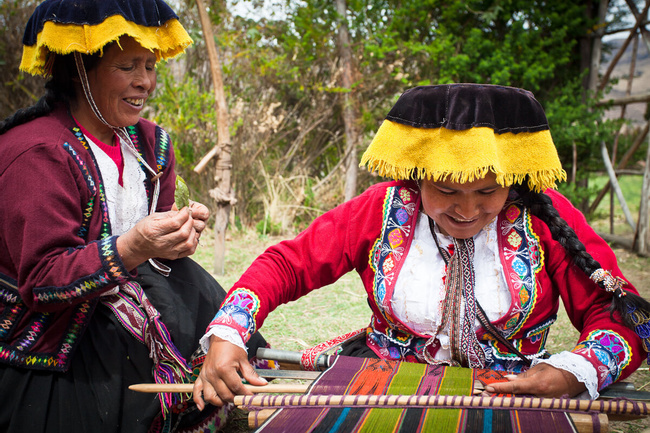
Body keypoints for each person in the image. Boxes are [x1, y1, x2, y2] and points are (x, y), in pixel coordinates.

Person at [193, 83, 650, 409]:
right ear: (417, 176)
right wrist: (230, 332)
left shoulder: (545, 218)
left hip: (510, 393)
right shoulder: (381, 209)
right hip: (383, 384)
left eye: (488, 192)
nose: (467, 210)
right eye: (447, 191)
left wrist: (575, 371)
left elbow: (620, 316)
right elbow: (288, 264)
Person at [0, 1, 268, 432]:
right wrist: (131, 247)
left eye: (149, 65)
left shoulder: (150, 144)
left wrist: (178, 235)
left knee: (216, 326)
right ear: (78, 69)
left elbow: (155, 241)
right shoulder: (37, 153)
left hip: (135, 293)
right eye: (127, 66)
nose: (145, 82)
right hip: (56, 331)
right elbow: (43, 281)